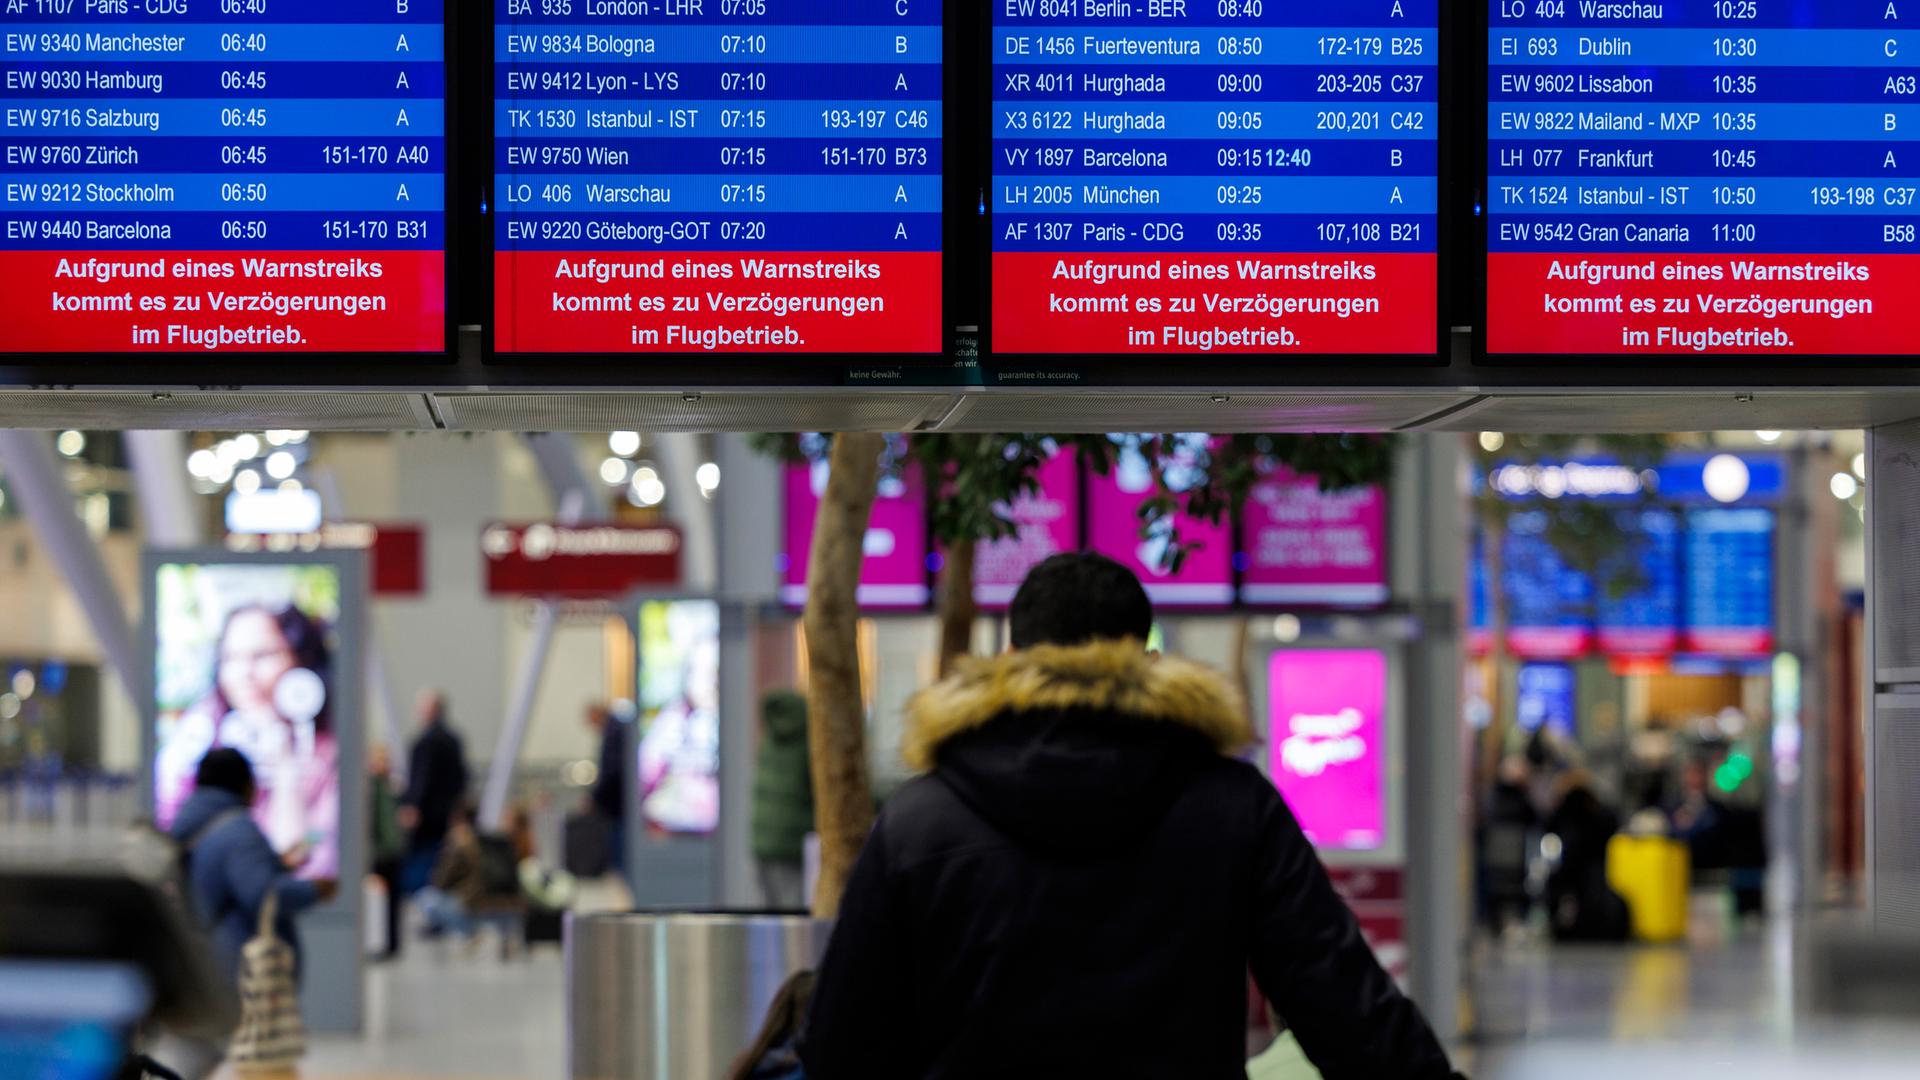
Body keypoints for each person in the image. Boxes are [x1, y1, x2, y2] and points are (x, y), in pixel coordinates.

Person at [800, 553, 1461, 1079]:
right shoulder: (1233, 805)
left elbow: (842, 1046)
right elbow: (1344, 1007)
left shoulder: (920, 821)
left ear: (1007, 665)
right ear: (1147, 664)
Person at [156, 603, 341, 879]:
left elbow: (299, 859)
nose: (244, 673)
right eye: (231, 658)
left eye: (262, 655)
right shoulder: (204, 736)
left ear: (300, 661)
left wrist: (285, 766)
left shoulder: (325, 757)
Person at [170, 748, 338, 981]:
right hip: (239, 969)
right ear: (246, 783)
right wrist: (314, 889)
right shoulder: (238, 831)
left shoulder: (194, 821)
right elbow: (262, 894)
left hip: (209, 959)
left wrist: (276, 864)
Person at [400, 688, 469, 895]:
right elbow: (461, 778)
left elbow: (423, 778)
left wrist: (413, 806)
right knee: (440, 860)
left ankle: (426, 902)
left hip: (428, 817)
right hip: (445, 813)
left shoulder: (427, 742)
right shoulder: (453, 739)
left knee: (423, 863)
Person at [750, 689, 813, 910]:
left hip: (763, 843)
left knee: (771, 914)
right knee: (793, 914)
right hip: (790, 845)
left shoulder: (771, 737)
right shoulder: (806, 744)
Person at [368, 742, 406, 960]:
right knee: (378, 902)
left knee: (394, 902)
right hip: (377, 853)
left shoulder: (393, 788)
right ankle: (377, 942)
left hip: (393, 852)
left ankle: (392, 943)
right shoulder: (370, 788)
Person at [586, 701, 631, 872]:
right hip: (617, 800)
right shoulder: (615, 729)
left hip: (618, 801)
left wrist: (595, 796)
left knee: (619, 842)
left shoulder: (613, 732)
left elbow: (612, 770)